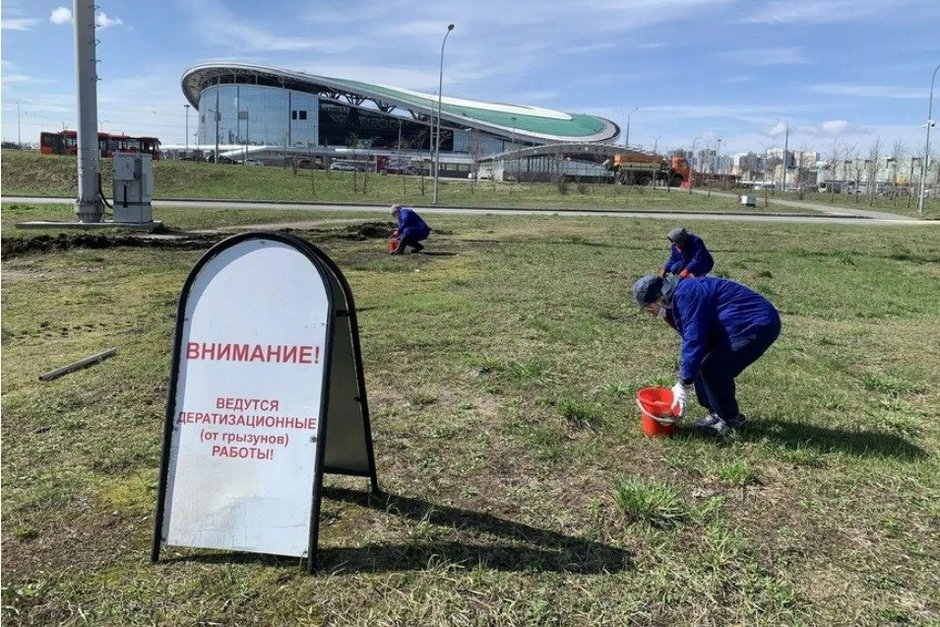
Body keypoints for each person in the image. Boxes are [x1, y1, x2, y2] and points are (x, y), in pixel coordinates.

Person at [633, 273, 781, 437]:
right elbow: (694, 339)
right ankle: (716, 413)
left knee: (715, 370)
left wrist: (684, 383)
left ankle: (731, 421)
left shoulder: (686, 294)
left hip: (755, 323)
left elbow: (694, 338)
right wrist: (689, 373)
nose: (650, 313)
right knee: (700, 363)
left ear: (659, 297)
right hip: (732, 324)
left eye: (648, 308)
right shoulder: (676, 299)